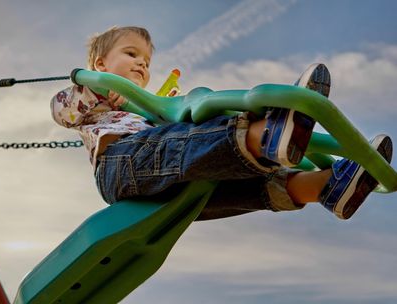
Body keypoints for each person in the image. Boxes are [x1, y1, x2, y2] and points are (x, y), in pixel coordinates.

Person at [51, 26, 393, 221]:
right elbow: (61, 110)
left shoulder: (146, 107)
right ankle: (264, 136)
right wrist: (93, 86)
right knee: (184, 140)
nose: (141, 64)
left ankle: (324, 186)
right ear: (99, 63)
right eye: (131, 54)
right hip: (120, 169)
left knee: (223, 188)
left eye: (146, 60)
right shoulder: (88, 99)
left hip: (163, 187)